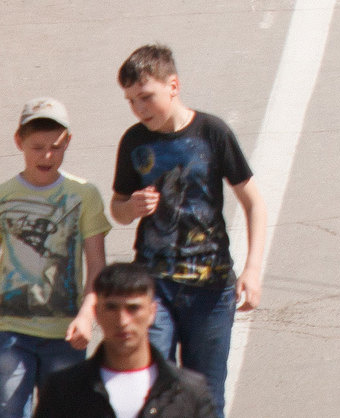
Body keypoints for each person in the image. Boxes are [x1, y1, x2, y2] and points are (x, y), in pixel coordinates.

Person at [108, 44, 266, 411]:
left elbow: (253, 201)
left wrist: (253, 270)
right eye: (131, 101)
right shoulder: (134, 142)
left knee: (205, 397)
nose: (139, 109)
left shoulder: (212, 133)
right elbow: (117, 207)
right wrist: (130, 208)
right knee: (150, 387)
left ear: (173, 85)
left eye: (146, 97)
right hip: (152, 286)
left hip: (210, 291)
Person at [0, 97, 108, 415]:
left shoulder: (84, 196)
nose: (47, 156)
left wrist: (86, 315)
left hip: (65, 335)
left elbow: (96, 262)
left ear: (68, 142)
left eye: (55, 146)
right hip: (12, 333)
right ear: (19, 142)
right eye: (37, 147)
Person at [32, 262, 216, 418]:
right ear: (97, 312)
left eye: (133, 308)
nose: (123, 321)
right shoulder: (64, 390)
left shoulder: (189, 392)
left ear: (152, 312)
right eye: (111, 307)